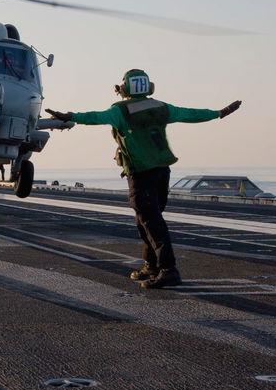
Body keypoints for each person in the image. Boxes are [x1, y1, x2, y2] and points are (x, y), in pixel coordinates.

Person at [47, 69, 240, 289]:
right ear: (149, 87)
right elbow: (191, 114)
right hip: (162, 172)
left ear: (124, 88)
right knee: (146, 220)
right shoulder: (161, 107)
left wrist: (69, 116)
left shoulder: (119, 110)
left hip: (141, 173)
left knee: (151, 222)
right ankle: (151, 265)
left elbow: (95, 117)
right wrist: (218, 113)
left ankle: (168, 270)